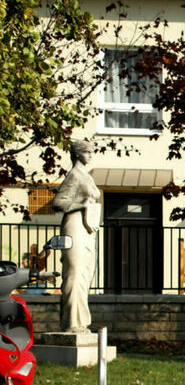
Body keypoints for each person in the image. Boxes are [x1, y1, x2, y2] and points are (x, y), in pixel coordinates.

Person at [51, 139, 101, 334]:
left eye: (91, 152)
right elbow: (57, 202)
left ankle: (80, 323)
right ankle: (71, 323)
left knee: (85, 275)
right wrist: (81, 205)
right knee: (75, 273)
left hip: (87, 227)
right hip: (74, 226)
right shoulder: (74, 175)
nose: (91, 156)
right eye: (88, 152)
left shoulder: (86, 176)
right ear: (78, 154)